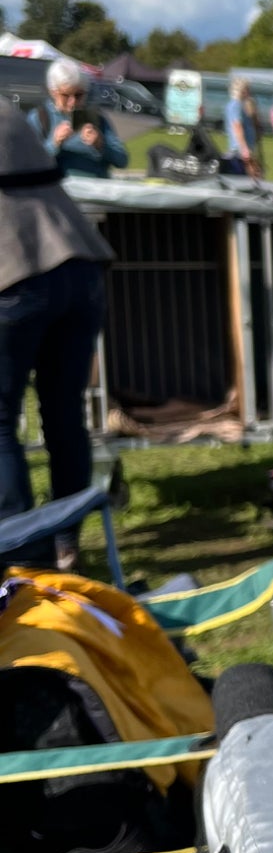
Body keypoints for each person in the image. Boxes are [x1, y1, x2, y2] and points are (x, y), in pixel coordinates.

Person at [0, 105, 113, 567]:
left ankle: (21, 554)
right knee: (65, 413)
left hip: (15, 274)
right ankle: (66, 542)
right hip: (77, 262)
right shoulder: (9, 113)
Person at [36, 58, 127, 180]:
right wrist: (54, 143)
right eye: (65, 95)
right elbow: (26, 162)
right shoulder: (41, 117)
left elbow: (122, 161)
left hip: (96, 193)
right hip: (56, 193)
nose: (72, 102)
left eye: (78, 95)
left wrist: (100, 144)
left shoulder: (96, 118)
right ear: (53, 92)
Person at [223, 78, 262, 178]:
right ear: (241, 90)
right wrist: (244, 149)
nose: (249, 92)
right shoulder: (236, 105)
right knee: (244, 179)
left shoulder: (239, 105)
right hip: (239, 151)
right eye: (247, 89)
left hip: (242, 150)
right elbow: (237, 127)